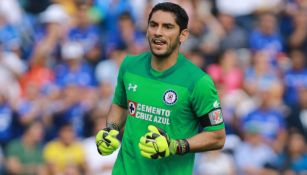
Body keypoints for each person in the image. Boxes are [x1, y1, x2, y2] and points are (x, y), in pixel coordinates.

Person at [95, 2, 226, 175]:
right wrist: (110, 129)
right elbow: (119, 105)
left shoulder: (199, 81)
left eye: (168, 27)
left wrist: (175, 146)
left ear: (183, 35)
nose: (158, 32)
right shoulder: (129, 65)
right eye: (153, 25)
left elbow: (217, 137)